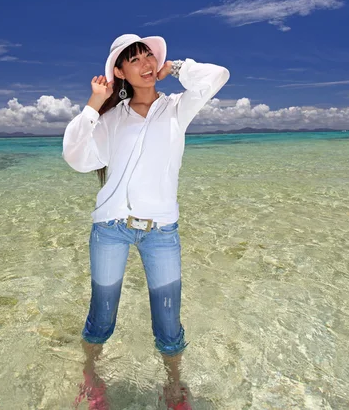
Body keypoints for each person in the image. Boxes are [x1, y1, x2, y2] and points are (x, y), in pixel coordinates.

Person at [63, 34, 230, 409]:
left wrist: (179, 68)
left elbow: (218, 75)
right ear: (120, 71)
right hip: (111, 228)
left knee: (169, 324)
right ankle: (92, 377)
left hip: (162, 232)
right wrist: (94, 103)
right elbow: (76, 157)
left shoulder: (176, 108)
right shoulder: (110, 120)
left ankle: (174, 385)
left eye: (149, 56)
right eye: (135, 59)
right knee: (102, 316)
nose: (146, 63)